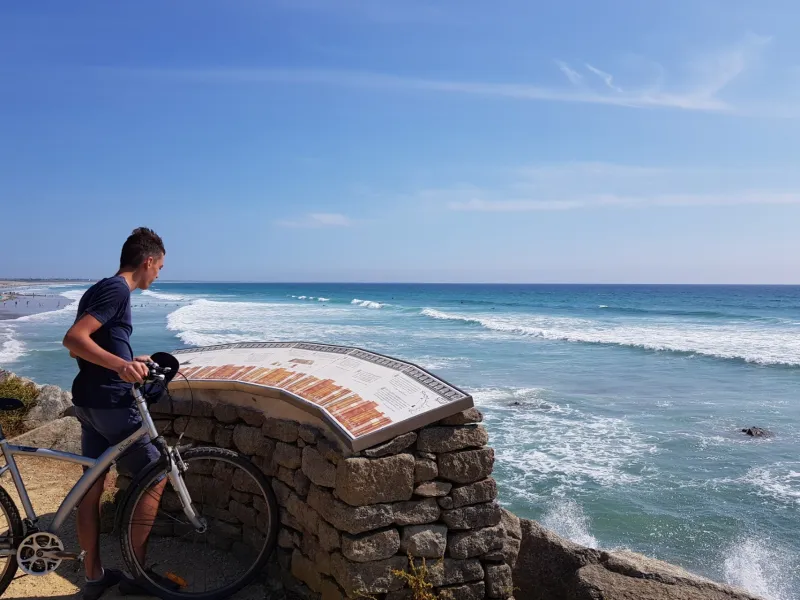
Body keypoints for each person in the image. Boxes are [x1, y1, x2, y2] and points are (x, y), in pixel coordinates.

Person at [62, 227, 169, 600]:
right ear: (148, 261)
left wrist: (127, 359)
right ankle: (138, 574)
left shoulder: (100, 288)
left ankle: (94, 577)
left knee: (91, 489)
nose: (158, 275)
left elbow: (86, 349)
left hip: (89, 403)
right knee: (156, 475)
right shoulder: (117, 290)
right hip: (111, 404)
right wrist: (121, 368)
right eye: (159, 268)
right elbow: (74, 340)